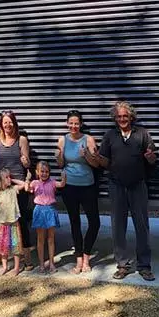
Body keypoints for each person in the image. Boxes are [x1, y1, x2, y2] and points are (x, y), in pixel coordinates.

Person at [96, 101, 157, 281]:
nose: (122, 119)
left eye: (125, 116)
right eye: (119, 116)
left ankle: (144, 266)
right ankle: (122, 265)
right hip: (116, 186)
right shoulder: (109, 136)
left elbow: (152, 159)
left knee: (142, 227)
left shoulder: (142, 134)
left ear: (131, 117)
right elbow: (105, 162)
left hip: (138, 185)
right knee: (118, 227)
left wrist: (151, 157)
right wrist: (94, 157)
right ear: (115, 118)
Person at [0, 110, 34, 270]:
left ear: (14, 123)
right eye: (5, 122)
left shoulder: (22, 140)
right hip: (1, 187)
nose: (8, 125)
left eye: (10, 121)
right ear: (1, 124)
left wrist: (26, 162)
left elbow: (27, 164)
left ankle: (27, 258)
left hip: (17, 187)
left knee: (21, 222)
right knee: (0, 222)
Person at [55, 109, 101, 273]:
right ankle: (79, 258)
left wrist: (87, 155)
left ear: (81, 124)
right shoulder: (62, 140)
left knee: (94, 223)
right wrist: (58, 156)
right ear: (67, 123)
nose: (74, 126)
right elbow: (60, 164)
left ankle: (87, 254)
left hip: (87, 185)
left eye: (76, 123)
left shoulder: (88, 139)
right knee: (74, 222)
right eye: (71, 123)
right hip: (69, 187)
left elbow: (96, 165)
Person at [27, 161, 66, 274]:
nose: (44, 174)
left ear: (49, 173)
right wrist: (27, 179)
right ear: (37, 172)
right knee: (40, 239)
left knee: (51, 238)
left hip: (50, 210)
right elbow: (27, 189)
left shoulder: (52, 182)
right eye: (42, 171)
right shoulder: (34, 183)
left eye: (47, 172)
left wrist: (64, 176)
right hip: (39, 210)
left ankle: (52, 264)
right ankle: (41, 264)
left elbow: (62, 184)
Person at [0, 168, 27, 276]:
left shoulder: (13, 190)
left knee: (16, 247)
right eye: (6, 177)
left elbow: (24, 184)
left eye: (9, 177)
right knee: (3, 247)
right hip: (2, 225)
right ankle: (5, 266)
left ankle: (16, 267)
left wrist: (13, 179)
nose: (9, 179)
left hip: (13, 224)